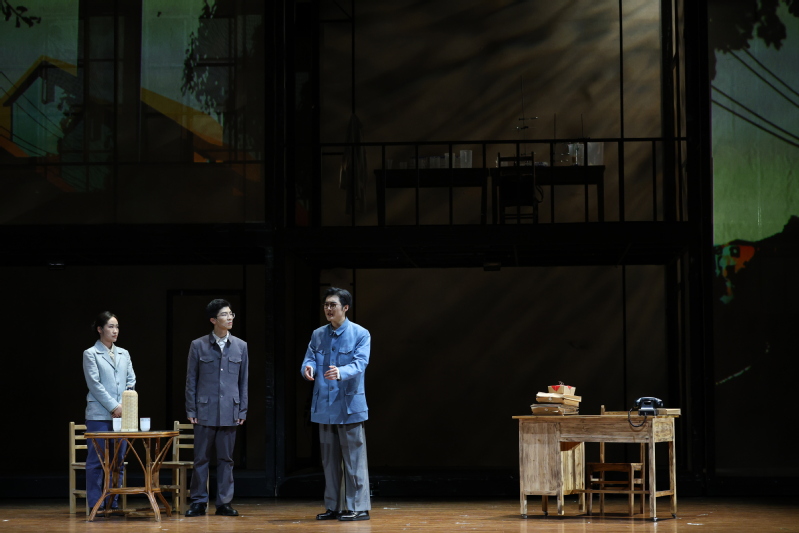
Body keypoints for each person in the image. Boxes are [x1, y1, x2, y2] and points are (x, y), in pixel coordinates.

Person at [301, 287, 371, 521]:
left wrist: (341, 372)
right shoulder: (318, 334)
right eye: (326, 305)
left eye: (333, 305)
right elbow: (310, 357)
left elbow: (360, 363)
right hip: (325, 406)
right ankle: (334, 506)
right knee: (329, 462)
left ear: (345, 307)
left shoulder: (360, 334)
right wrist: (308, 368)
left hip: (349, 405)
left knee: (354, 460)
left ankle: (359, 507)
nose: (328, 309)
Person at [184, 299, 248, 517]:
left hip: (230, 409)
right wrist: (191, 409)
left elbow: (243, 381)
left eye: (231, 314)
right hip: (205, 410)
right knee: (201, 458)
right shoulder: (198, 345)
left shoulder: (241, 346)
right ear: (213, 320)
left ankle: (224, 503)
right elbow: (191, 380)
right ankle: (198, 501)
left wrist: (242, 409)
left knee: (226, 459)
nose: (229, 318)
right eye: (224, 314)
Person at [82, 311, 136, 516]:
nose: (115, 331)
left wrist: (124, 404)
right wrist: (114, 407)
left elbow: (131, 379)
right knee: (97, 460)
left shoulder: (124, 353)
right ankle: (96, 504)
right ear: (100, 329)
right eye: (111, 326)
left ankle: (112, 503)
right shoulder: (90, 353)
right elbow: (94, 385)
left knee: (117, 460)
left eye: (117, 327)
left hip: (122, 414)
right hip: (99, 415)